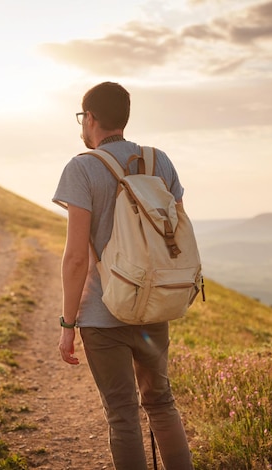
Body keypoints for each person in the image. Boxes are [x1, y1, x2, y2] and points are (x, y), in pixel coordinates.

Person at [52, 82, 194, 469]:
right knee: (162, 403)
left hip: (103, 315)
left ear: (91, 119)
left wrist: (68, 324)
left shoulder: (82, 167)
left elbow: (76, 258)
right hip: (154, 307)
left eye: (83, 118)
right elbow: (177, 232)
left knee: (122, 413)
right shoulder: (158, 161)